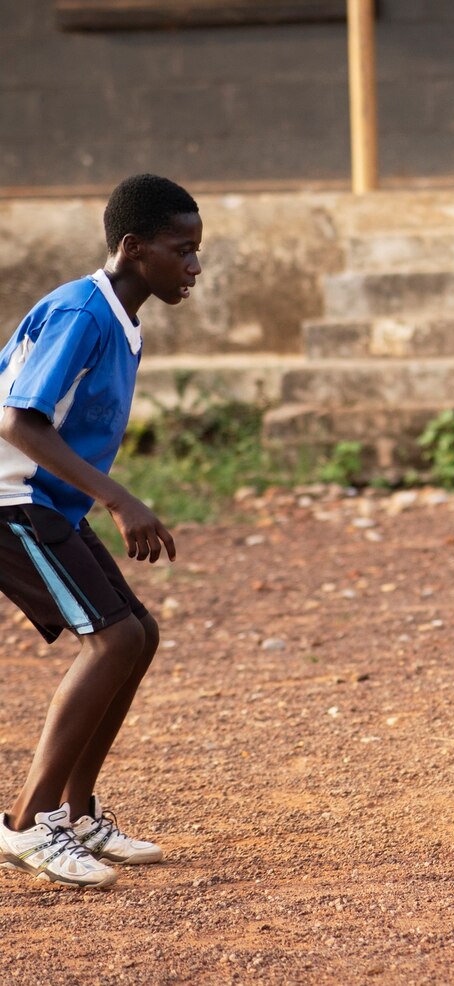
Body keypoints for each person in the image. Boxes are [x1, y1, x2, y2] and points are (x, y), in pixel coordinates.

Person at [0, 174, 200, 887]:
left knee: (137, 635)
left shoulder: (120, 317)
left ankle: (78, 813)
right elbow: (19, 422)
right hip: (11, 498)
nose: (194, 267)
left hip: (47, 500)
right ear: (134, 247)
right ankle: (27, 824)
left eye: (197, 251)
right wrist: (119, 500)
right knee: (111, 640)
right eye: (182, 250)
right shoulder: (83, 312)